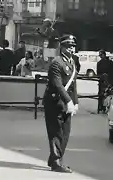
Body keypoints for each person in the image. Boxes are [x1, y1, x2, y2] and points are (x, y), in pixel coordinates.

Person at [43, 34, 78, 173]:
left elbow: (73, 85)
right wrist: (68, 101)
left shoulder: (72, 63)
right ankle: (56, 162)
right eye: (68, 46)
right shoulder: (56, 63)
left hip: (66, 103)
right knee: (56, 132)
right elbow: (58, 84)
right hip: (55, 102)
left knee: (66, 133)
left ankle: (54, 158)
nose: (72, 49)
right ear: (61, 47)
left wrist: (75, 102)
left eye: (73, 46)